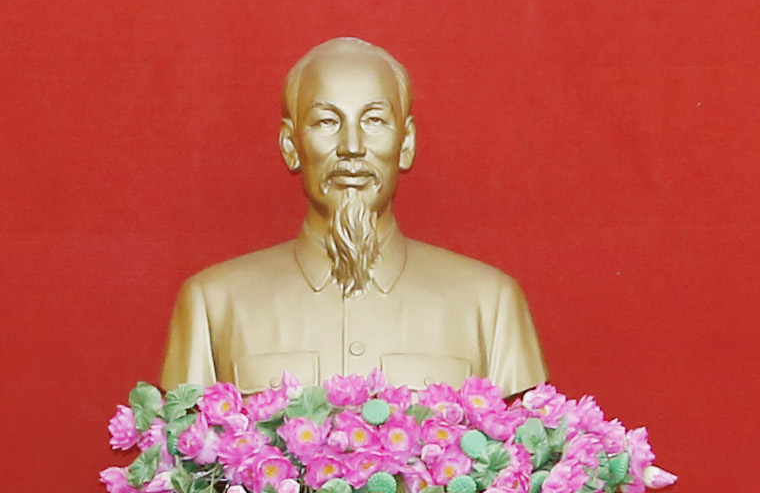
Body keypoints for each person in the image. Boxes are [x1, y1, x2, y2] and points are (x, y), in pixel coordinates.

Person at [161, 36, 546, 394]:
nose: (351, 146)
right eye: (327, 122)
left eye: (374, 120)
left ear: (406, 143)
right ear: (291, 145)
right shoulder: (213, 305)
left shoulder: (490, 305)